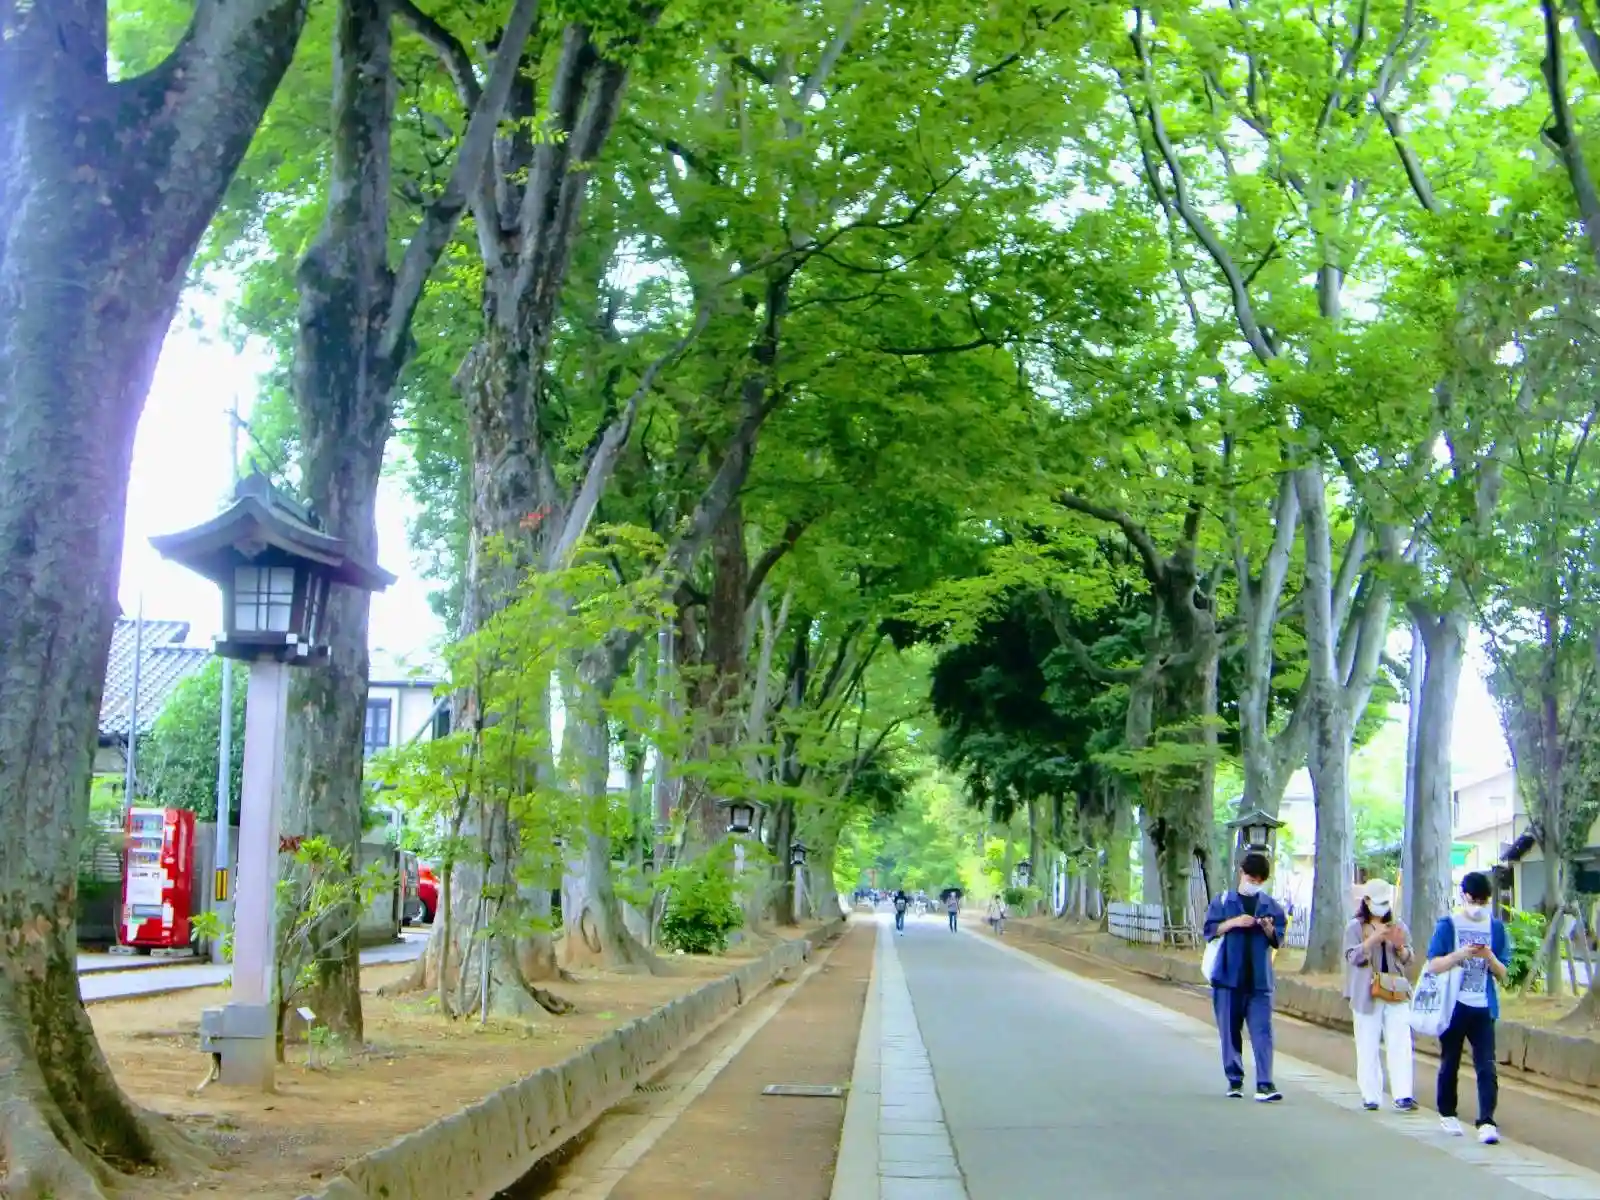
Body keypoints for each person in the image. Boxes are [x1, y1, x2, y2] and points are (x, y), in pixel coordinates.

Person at [1425, 870, 1510, 1145]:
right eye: (1473, 900)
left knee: (1486, 1065)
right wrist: (1459, 954)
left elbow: (1504, 973)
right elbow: (1433, 964)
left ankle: (1487, 1121)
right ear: (1463, 896)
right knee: (1450, 1061)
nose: (1477, 906)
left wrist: (1489, 957)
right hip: (1453, 1005)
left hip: (1483, 1007)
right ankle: (1447, 1113)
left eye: (1482, 901)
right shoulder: (1448, 925)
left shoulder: (1496, 928)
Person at [1202, 851, 1286, 1102]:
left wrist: (1269, 929)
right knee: (1229, 1031)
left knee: (1262, 1032)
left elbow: (1278, 940)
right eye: (1251, 878)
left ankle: (1265, 1083)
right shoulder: (1223, 901)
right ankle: (1234, 1078)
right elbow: (1210, 930)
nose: (1255, 883)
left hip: (1259, 981)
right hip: (1227, 978)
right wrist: (1235, 922)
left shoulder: (1271, 906)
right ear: (1241, 873)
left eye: (1260, 880)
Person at [1343, 879, 1417, 1112]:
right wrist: (1372, 940)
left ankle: (1403, 1094)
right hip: (1366, 993)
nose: (1383, 907)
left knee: (1400, 1042)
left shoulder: (1398, 925)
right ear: (1366, 901)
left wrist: (1399, 946)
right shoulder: (1355, 927)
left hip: (1395, 990)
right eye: (1378, 902)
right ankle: (1371, 1095)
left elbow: (1409, 958)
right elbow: (1351, 957)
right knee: (1367, 1044)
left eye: (1386, 902)